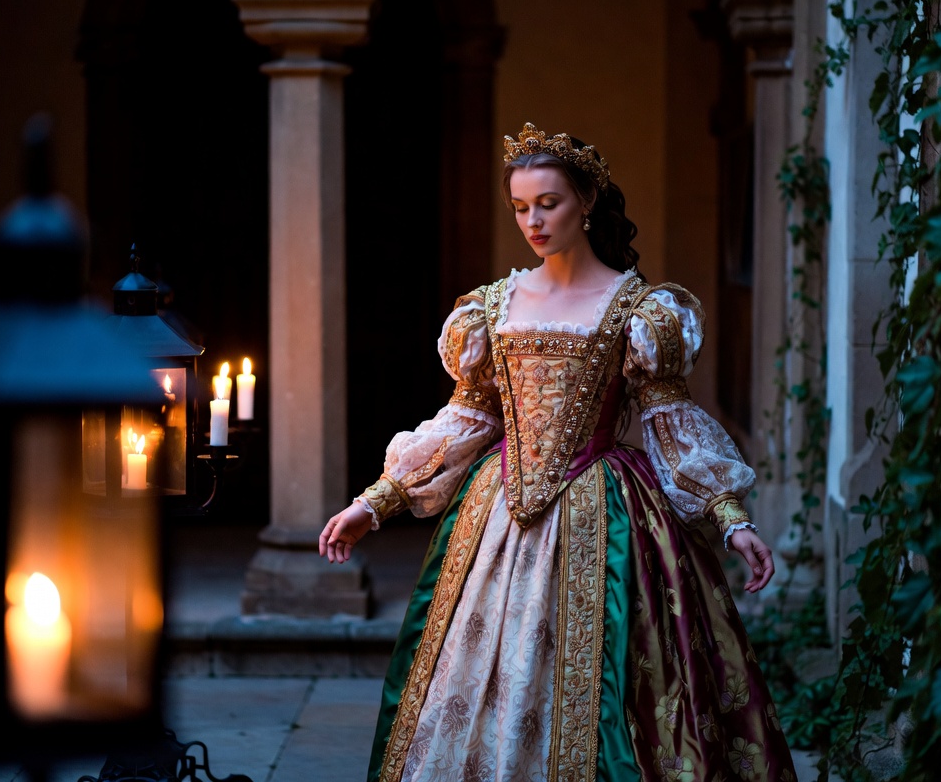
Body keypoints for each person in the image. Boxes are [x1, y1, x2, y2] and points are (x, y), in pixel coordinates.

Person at [321, 123, 797, 782]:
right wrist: (373, 505)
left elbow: (669, 420)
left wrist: (730, 519)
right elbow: (466, 419)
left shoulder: (640, 311)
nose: (533, 221)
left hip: (604, 511)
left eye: (549, 203)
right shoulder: (490, 309)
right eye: (521, 207)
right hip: (497, 518)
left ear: (589, 200)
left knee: (611, 679)